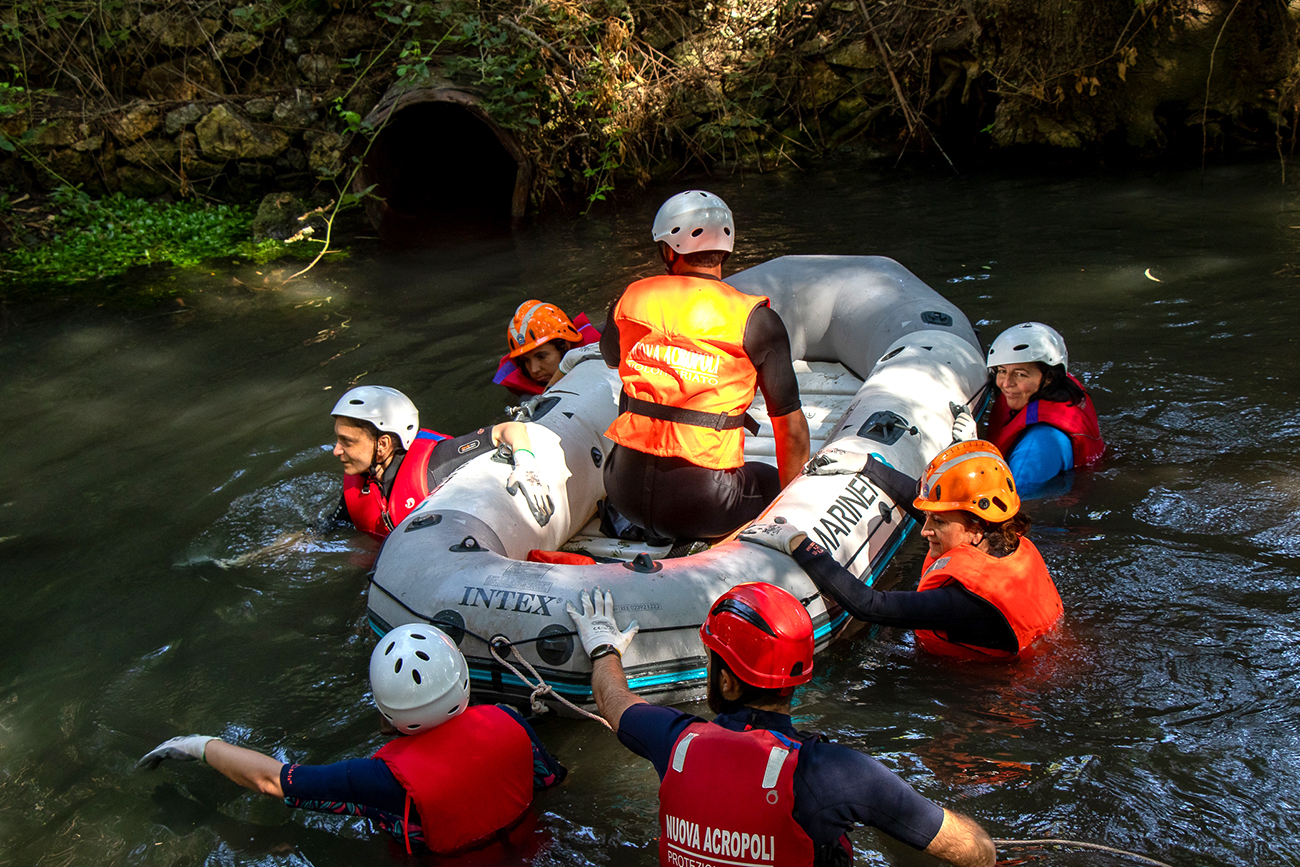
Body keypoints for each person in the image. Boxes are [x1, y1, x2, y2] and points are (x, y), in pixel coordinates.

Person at [565, 585, 997, 867]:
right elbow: (976, 852)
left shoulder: (673, 741)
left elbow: (614, 699)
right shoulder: (834, 773)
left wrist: (604, 646)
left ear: (728, 679)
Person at [138, 624, 567, 856]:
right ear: (464, 684)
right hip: (530, 851)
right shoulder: (510, 721)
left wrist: (198, 744)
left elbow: (274, 781)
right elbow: (548, 784)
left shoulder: (379, 779)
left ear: (386, 712)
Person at [599, 190, 811, 540]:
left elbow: (610, 356)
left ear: (668, 251)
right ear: (726, 248)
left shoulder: (630, 297)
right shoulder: (757, 321)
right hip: (706, 504)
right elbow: (791, 430)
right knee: (770, 481)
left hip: (625, 493)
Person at [740, 440, 1063, 660]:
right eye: (927, 518)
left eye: (937, 522)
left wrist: (800, 544)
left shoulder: (964, 600)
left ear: (977, 527)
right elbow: (931, 504)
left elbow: (870, 605)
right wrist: (867, 465)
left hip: (986, 687)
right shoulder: (1008, 542)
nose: (925, 530)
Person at [330, 385, 553, 540]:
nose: (336, 450)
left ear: (383, 444)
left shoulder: (437, 461)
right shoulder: (362, 479)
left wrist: (526, 463)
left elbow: (509, 429)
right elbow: (334, 525)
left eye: (347, 442)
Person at [975, 321, 1104, 490]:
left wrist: (969, 448)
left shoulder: (1034, 451)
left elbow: (1010, 509)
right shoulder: (1066, 390)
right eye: (1001, 371)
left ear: (1049, 377)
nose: (1005, 383)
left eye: (1020, 374)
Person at [494, 300, 601, 396]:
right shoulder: (527, 398)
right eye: (526, 360)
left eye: (541, 356)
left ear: (566, 346)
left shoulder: (603, 351)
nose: (534, 369)